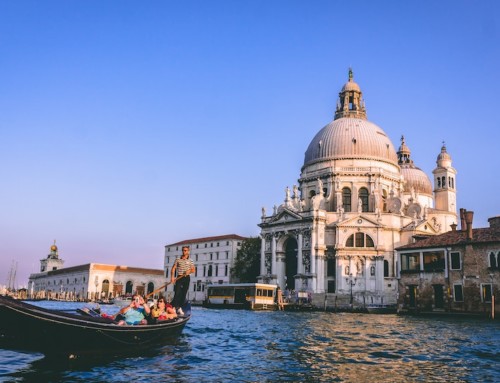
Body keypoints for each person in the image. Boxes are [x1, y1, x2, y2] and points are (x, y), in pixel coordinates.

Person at [170, 245, 195, 316]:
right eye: (183, 250)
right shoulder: (178, 259)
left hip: (187, 278)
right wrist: (172, 277)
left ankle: (179, 307)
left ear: (188, 251)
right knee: (177, 292)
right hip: (179, 277)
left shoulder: (191, 260)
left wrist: (189, 271)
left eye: (185, 250)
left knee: (184, 293)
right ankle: (174, 307)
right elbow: (173, 268)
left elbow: (193, 270)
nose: (184, 252)